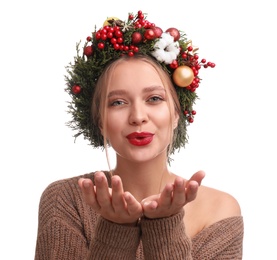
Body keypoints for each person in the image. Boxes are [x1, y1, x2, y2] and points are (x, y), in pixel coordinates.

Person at [35, 10, 244, 259]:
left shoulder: (220, 210)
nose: (137, 116)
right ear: (100, 121)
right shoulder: (66, 200)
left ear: (177, 113)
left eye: (154, 99)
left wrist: (165, 225)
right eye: (118, 102)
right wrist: (116, 228)